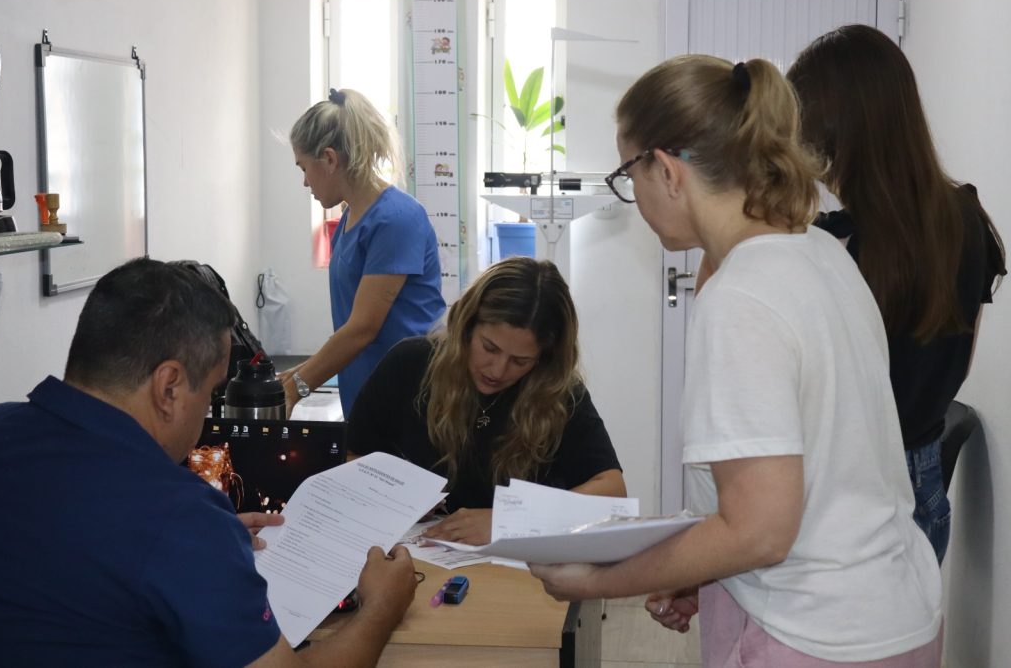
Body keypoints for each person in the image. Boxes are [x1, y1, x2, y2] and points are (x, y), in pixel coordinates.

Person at [530, 56, 943, 666]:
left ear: (667, 171)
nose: (634, 196)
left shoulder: (742, 298)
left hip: (812, 634)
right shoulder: (822, 252)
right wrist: (696, 568)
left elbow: (759, 533)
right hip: (894, 610)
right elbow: (822, 475)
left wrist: (597, 580)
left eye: (628, 174)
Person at [0, 258, 416, 667]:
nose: (209, 415)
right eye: (212, 393)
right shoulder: (180, 516)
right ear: (169, 387)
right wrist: (382, 606)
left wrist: (209, 549)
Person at [786, 24, 1006, 564]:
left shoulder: (830, 244)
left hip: (847, 486)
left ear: (834, 131)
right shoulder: (967, 219)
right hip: (924, 478)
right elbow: (956, 364)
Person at [346, 256, 626, 545]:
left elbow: (612, 492)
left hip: (514, 562)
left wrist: (510, 520)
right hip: (416, 550)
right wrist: (394, 495)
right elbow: (350, 457)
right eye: (489, 348)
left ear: (545, 359)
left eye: (520, 361)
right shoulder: (410, 364)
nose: (498, 371)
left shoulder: (558, 393)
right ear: (466, 326)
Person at [281, 88, 446, 417]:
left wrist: (297, 387)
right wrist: (289, 377)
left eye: (304, 168)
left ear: (330, 159)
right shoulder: (350, 217)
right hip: (367, 391)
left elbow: (363, 327)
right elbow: (351, 326)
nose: (305, 183)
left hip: (409, 397)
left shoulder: (396, 218)